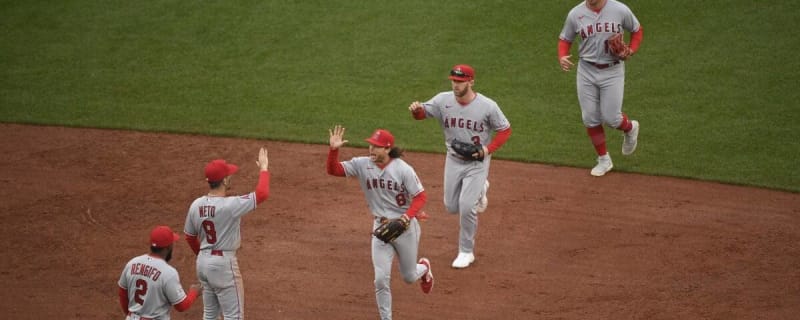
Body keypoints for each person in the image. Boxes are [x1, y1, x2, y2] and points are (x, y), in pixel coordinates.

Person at [408, 64, 512, 269]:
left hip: (477, 162)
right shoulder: (442, 100)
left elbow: (505, 130)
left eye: (460, 81)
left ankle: (466, 251)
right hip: (454, 159)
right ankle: (481, 189)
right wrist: (417, 111)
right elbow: (422, 115)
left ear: (471, 82)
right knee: (451, 206)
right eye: (453, 81)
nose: (456, 85)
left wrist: (487, 149)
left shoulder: (488, 106)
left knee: (466, 208)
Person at [326, 125, 434, 320]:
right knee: (380, 280)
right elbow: (333, 170)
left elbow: (420, 196)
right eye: (370, 145)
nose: (371, 150)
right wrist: (334, 150)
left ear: (387, 148)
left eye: (376, 146)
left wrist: (406, 217)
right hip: (380, 228)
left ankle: (424, 267)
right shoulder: (362, 164)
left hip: (406, 228)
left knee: (409, 277)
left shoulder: (403, 169)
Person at [558, 0, 643, 176]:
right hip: (586, 70)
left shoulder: (619, 9)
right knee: (590, 117)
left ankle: (630, 128)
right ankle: (604, 159)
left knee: (612, 118)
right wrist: (562, 56)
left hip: (612, 70)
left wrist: (632, 50)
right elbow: (565, 39)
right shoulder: (576, 14)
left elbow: (637, 30)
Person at [183, 147, 270, 320]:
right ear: (224, 180)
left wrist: (203, 254)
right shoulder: (229, 206)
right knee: (234, 316)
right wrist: (264, 168)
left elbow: (189, 236)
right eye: (228, 175)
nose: (231, 176)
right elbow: (262, 193)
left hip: (203, 263)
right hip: (223, 265)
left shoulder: (196, 204)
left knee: (210, 315)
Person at [117, 225, 201, 320]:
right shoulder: (168, 273)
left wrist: (131, 315)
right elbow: (181, 306)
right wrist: (194, 292)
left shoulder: (132, 263)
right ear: (168, 247)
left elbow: (123, 294)